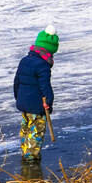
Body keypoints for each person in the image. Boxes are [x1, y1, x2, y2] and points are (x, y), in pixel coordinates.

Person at [14, 27, 58, 161]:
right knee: (36, 132)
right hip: (37, 106)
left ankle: (25, 152)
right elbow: (45, 87)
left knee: (26, 129)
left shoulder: (24, 60)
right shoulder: (43, 65)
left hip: (23, 103)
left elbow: (16, 82)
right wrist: (49, 103)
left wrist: (18, 98)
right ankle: (31, 160)